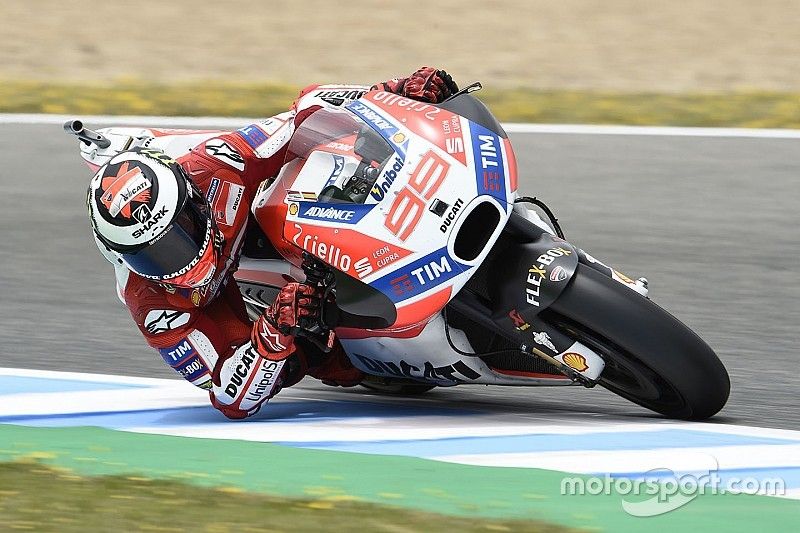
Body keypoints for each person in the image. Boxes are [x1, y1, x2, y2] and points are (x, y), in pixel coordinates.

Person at [86, 67, 459, 419]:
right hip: (227, 301)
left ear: (194, 201)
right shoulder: (154, 307)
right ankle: (365, 353)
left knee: (345, 149)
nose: (174, 260)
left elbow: (305, 111)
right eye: (153, 255)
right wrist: (273, 333)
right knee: (308, 356)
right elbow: (228, 398)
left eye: (179, 233)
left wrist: (393, 93)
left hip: (268, 210)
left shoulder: (217, 166)